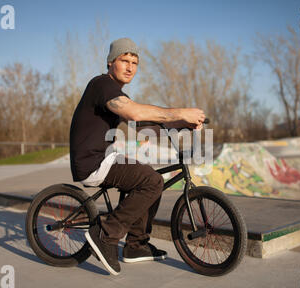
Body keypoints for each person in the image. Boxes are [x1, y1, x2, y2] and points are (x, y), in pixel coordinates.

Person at [70, 37, 206, 275]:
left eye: (135, 62)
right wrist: (181, 111)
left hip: (106, 157)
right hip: (91, 163)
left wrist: (182, 123)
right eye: (124, 60)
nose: (130, 66)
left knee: (149, 177)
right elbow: (134, 113)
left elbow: (143, 124)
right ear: (111, 62)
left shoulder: (114, 93)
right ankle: (106, 232)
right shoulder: (101, 85)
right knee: (151, 181)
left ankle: (136, 245)